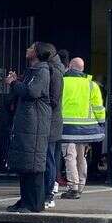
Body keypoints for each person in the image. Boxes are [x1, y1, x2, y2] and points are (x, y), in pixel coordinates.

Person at [6, 44, 53, 213]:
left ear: (37, 53)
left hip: (35, 124)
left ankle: (34, 203)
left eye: (31, 48)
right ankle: (25, 199)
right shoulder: (32, 71)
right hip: (26, 123)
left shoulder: (42, 71)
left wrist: (14, 83)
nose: (27, 49)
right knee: (24, 163)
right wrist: (16, 82)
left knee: (33, 163)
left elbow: (32, 92)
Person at [59, 58, 105, 201]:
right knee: (81, 157)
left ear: (70, 67)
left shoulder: (62, 82)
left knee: (69, 157)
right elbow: (98, 108)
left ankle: (73, 188)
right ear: (82, 69)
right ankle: (80, 186)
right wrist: (101, 124)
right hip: (85, 131)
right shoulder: (92, 85)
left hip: (66, 129)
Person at [42, 47, 66, 209]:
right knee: (52, 159)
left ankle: (49, 193)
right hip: (56, 123)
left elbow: (53, 99)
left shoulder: (54, 72)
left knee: (50, 159)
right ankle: (49, 190)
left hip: (52, 123)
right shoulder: (55, 70)